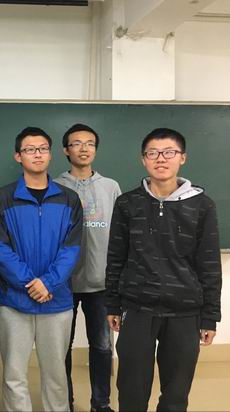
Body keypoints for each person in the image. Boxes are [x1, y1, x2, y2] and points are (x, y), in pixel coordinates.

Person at [105, 128, 222, 412]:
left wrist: (210, 317)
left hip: (185, 311)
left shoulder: (202, 205)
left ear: (182, 157)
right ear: (143, 159)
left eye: (169, 152)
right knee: (131, 391)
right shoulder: (127, 203)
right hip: (137, 308)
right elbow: (116, 256)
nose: (161, 158)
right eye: (153, 153)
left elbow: (209, 264)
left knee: (176, 394)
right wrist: (112, 304)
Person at [0, 126, 82, 412]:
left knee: (56, 375)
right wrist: (31, 283)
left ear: (51, 154)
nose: (37, 154)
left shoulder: (69, 199)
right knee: (14, 374)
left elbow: (72, 250)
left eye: (42, 149)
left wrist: (48, 283)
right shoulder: (3, 198)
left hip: (56, 301)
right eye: (30, 149)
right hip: (13, 301)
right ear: (18, 156)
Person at [54, 124, 120, 412]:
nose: (83, 148)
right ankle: (64, 402)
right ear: (65, 150)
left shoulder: (111, 187)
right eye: (76, 143)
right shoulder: (55, 186)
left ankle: (101, 403)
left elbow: (120, 235)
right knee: (61, 349)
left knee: (103, 347)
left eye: (89, 143)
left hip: (102, 282)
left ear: (96, 148)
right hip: (63, 282)